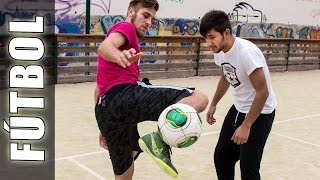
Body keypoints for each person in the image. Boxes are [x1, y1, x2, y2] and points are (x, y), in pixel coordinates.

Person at [94, 0, 209, 179]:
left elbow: (98, 88)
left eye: (152, 19)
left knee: (124, 172)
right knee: (198, 98)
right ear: (131, 12)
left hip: (105, 109)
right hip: (124, 94)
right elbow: (104, 47)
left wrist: (104, 126)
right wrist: (118, 55)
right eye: (145, 15)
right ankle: (158, 138)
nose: (148, 22)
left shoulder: (124, 42)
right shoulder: (126, 27)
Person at [200, 10, 277, 180]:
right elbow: (226, 75)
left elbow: (263, 92)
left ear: (226, 33)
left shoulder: (246, 53)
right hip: (239, 107)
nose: (208, 43)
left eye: (212, 37)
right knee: (222, 157)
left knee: (248, 169)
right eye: (206, 38)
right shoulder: (219, 52)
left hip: (261, 112)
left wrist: (246, 125)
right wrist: (214, 103)